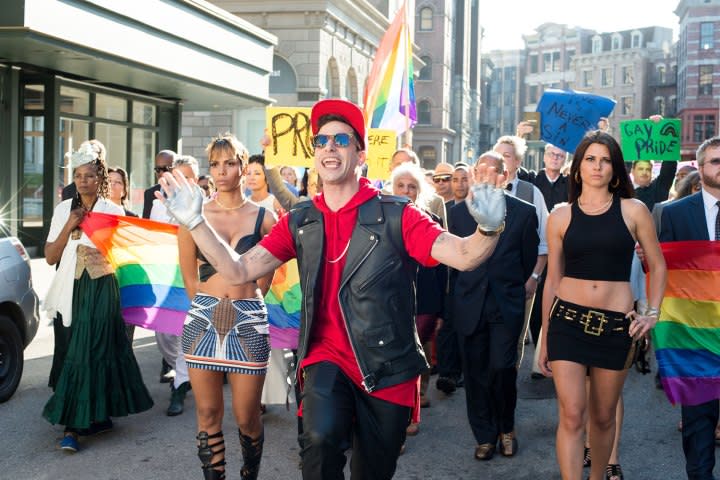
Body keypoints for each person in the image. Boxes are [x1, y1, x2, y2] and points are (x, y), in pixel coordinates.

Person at [157, 98, 506, 479]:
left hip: (386, 367)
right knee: (319, 443)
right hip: (325, 361)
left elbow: (464, 255)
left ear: (360, 152)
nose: (329, 148)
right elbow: (238, 270)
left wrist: (488, 229)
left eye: (341, 139)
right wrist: (195, 222)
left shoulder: (397, 215)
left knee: (372, 470)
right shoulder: (300, 221)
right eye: (321, 141)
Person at [538, 130, 667, 480]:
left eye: (606, 160)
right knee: (571, 414)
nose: (598, 166)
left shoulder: (634, 209)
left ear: (615, 169)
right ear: (577, 168)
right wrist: (544, 338)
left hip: (615, 327)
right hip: (567, 321)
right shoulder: (560, 216)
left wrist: (651, 313)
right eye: (591, 159)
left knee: (604, 416)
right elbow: (553, 279)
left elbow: (657, 264)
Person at [43, 142, 153, 453]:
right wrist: (70, 225)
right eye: (78, 175)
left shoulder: (112, 211)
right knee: (72, 348)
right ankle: (93, 415)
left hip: (103, 290)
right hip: (71, 289)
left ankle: (73, 427)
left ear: (100, 178)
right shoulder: (63, 209)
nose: (82, 180)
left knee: (90, 348)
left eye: (89, 175)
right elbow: (51, 256)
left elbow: (127, 257)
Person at [178, 134, 275, 480]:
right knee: (206, 412)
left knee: (248, 416)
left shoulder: (265, 218)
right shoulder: (192, 217)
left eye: (230, 162)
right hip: (203, 318)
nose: (222, 171)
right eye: (215, 164)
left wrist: (247, 297)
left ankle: (250, 472)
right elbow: (190, 280)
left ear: (243, 167)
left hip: (249, 320)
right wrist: (207, 305)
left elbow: (267, 276)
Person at [449, 151, 539, 461]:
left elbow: (527, 260)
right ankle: (484, 435)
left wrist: (512, 286)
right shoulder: (459, 214)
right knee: (474, 374)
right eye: (480, 169)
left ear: (503, 176)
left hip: (505, 305)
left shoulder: (524, 213)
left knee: (502, 369)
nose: (486, 175)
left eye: (493, 170)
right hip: (469, 304)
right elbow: (453, 262)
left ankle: (507, 428)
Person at [659, 135, 720, 480]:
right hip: (694, 337)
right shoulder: (675, 215)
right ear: (699, 168)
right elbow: (665, 271)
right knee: (698, 427)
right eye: (715, 161)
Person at [390, 162, 445, 435]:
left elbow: (443, 269)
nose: (406, 190)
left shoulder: (431, 222)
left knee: (415, 357)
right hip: (389, 303)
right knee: (396, 360)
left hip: (424, 302)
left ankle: (412, 414)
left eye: (412, 186)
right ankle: (396, 417)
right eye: (401, 185)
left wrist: (442, 312)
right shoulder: (379, 220)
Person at [143, 150, 176, 219]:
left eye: (165, 169)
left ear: (176, 168)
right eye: (158, 169)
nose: (161, 173)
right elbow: (145, 223)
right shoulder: (149, 193)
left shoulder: (184, 193)